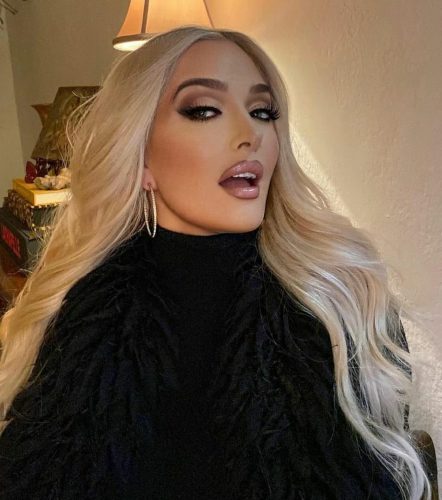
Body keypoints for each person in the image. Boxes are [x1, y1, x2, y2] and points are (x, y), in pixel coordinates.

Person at [0, 25, 430, 500]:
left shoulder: (342, 300)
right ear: (140, 155)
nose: (250, 135)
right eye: (204, 110)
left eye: (263, 112)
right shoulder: (76, 316)